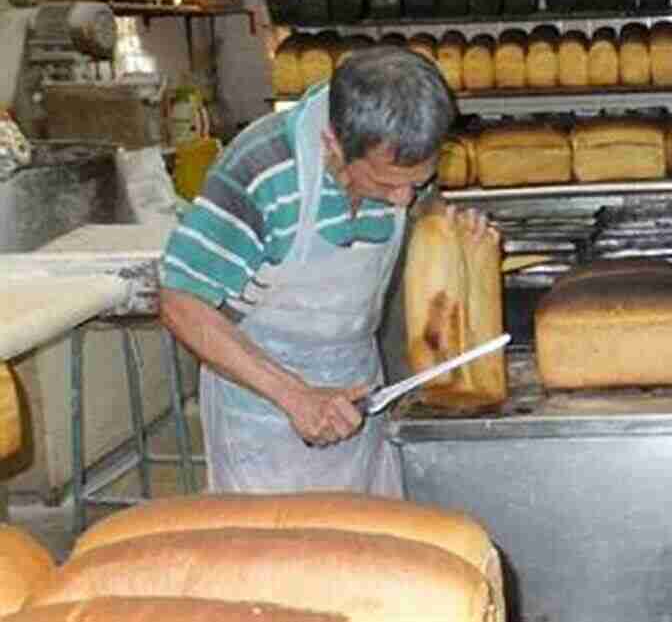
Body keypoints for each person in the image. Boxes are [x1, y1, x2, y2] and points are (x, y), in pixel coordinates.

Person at [159, 46, 484, 496]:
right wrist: (295, 396)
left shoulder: (398, 161)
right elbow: (179, 301)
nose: (402, 201)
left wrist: (449, 232)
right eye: (387, 184)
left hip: (359, 392)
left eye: (419, 180)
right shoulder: (262, 168)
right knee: (280, 560)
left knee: (365, 551)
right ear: (333, 143)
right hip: (263, 410)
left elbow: (419, 207)